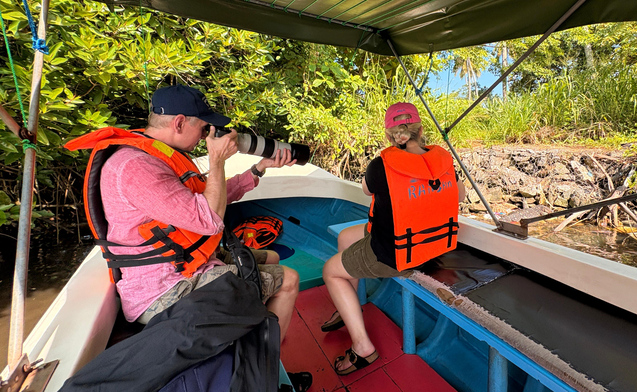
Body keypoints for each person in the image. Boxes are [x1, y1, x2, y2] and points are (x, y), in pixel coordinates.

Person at [64, 84, 299, 343]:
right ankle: (266, 364)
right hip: (164, 288)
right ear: (179, 123)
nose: (204, 135)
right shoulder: (136, 166)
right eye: (202, 127)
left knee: (273, 257)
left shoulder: (156, 155)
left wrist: (259, 168)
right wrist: (216, 160)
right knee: (289, 279)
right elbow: (209, 220)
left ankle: (254, 334)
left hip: (187, 261)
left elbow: (207, 197)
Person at [321, 102, 466, 375]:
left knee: (330, 271)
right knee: (345, 237)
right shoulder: (444, 160)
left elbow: (366, 190)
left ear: (390, 135)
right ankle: (348, 306)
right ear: (421, 129)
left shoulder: (381, 165)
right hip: (434, 247)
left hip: (396, 254)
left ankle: (362, 347)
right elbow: (460, 196)